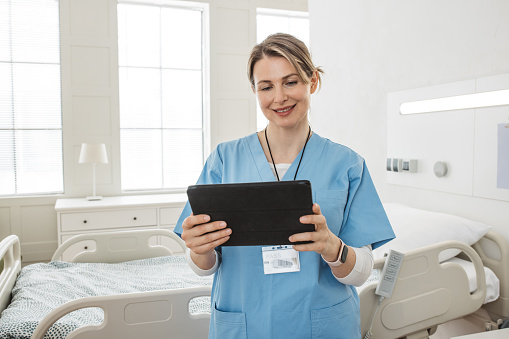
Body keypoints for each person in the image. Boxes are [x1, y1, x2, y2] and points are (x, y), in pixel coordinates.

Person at [174, 33, 395, 339]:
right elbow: (204, 266)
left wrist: (333, 247)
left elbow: (362, 271)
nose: (279, 97)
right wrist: (199, 250)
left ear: (312, 81)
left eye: (290, 82)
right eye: (266, 87)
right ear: (255, 91)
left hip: (322, 324)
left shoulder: (346, 165)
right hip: (245, 323)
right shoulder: (225, 160)